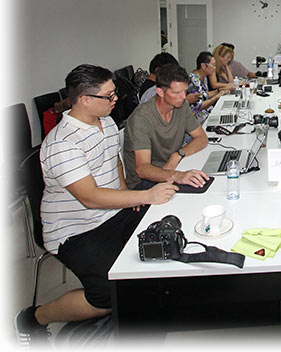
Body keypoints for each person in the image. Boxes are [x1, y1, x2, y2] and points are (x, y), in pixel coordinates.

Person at [14, 64, 178, 346]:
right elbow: (89, 197)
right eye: (109, 96)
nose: (117, 100)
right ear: (85, 99)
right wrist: (143, 196)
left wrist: (127, 195)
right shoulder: (63, 143)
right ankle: (34, 318)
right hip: (75, 230)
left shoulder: (107, 122)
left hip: (111, 213)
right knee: (106, 292)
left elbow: (112, 162)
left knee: (164, 237)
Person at [123, 63, 210, 190]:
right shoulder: (141, 118)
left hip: (171, 169)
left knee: (206, 180)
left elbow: (202, 138)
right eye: (177, 93)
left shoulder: (181, 105)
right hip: (144, 181)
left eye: (185, 91)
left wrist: (178, 154)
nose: (184, 97)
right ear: (160, 92)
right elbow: (143, 169)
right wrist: (178, 176)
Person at [188, 51, 229, 124]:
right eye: (213, 65)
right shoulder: (194, 80)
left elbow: (204, 94)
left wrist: (219, 91)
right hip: (199, 119)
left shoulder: (204, 76)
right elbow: (199, 106)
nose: (214, 68)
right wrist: (217, 96)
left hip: (207, 113)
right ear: (203, 66)